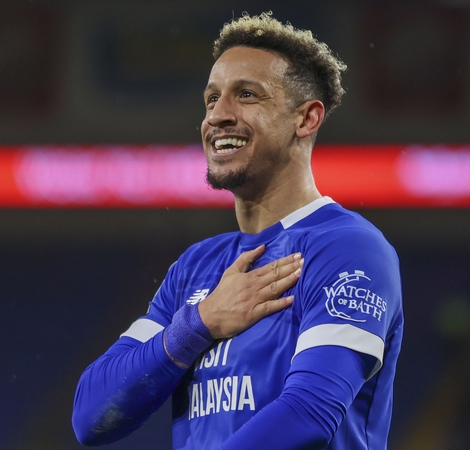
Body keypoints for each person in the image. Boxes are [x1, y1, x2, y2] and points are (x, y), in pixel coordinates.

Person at [72, 12, 403, 449]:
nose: (218, 116)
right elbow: (91, 416)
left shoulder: (347, 249)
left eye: (247, 95)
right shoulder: (197, 267)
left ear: (306, 119)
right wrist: (200, 322)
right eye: (211, 100)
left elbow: (310, 413)